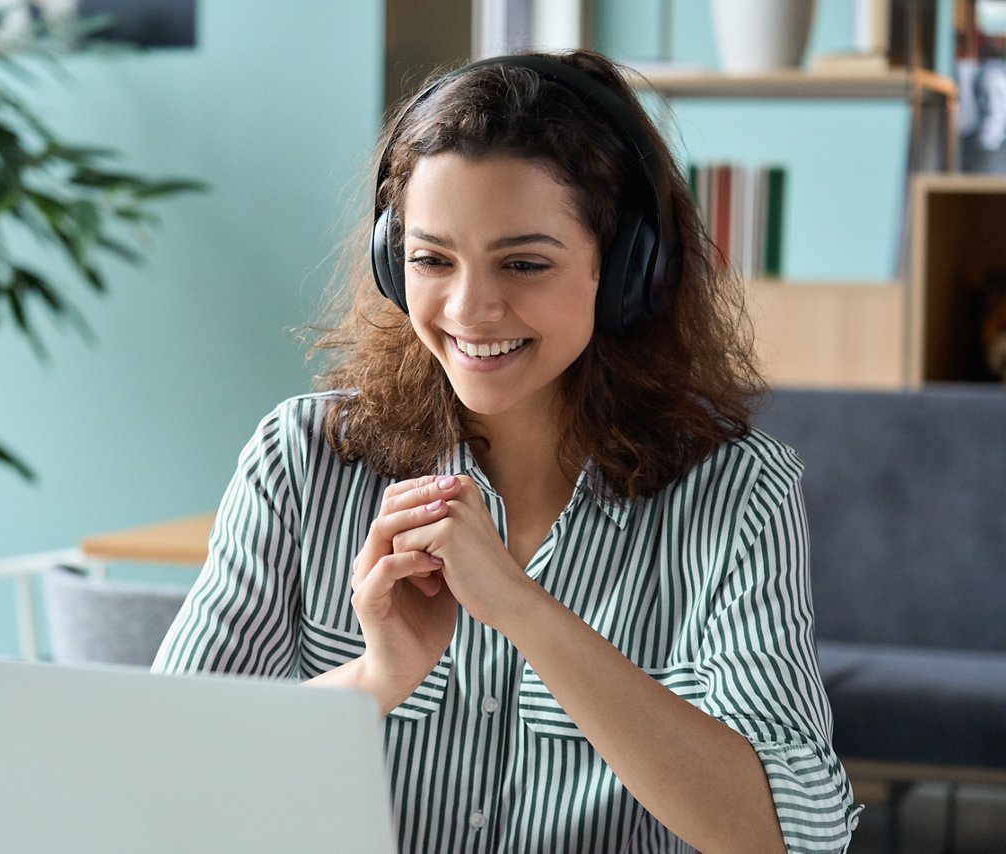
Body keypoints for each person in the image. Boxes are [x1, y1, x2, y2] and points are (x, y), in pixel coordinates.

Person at [153, 49, 859, 853]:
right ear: (393, 261)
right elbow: (162, 773)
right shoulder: (301, 460)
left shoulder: (736, 494)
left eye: (524, 263)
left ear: (626, 269)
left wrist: (522, 611)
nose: (470, 309)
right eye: (431, 259)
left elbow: (794, 834)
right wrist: (372, 681)